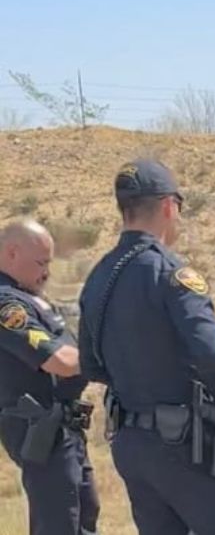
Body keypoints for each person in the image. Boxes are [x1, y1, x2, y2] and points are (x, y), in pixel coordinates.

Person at [78, 159, 215, 535]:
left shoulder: (99, 275)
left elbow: (91, 365)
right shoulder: (171, 272)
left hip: (131, 443)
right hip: (186, 445)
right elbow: (208, 348)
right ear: (168, 206)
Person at [0, 218, 100, 535]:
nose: (47, 272)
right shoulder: (7, 305)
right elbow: (59, 360)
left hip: (63, 428)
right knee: (58, 522)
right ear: (12, 253)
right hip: (42, 430)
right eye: (41, 262)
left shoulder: (27, 297)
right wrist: (109, 356)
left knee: (84, 511)